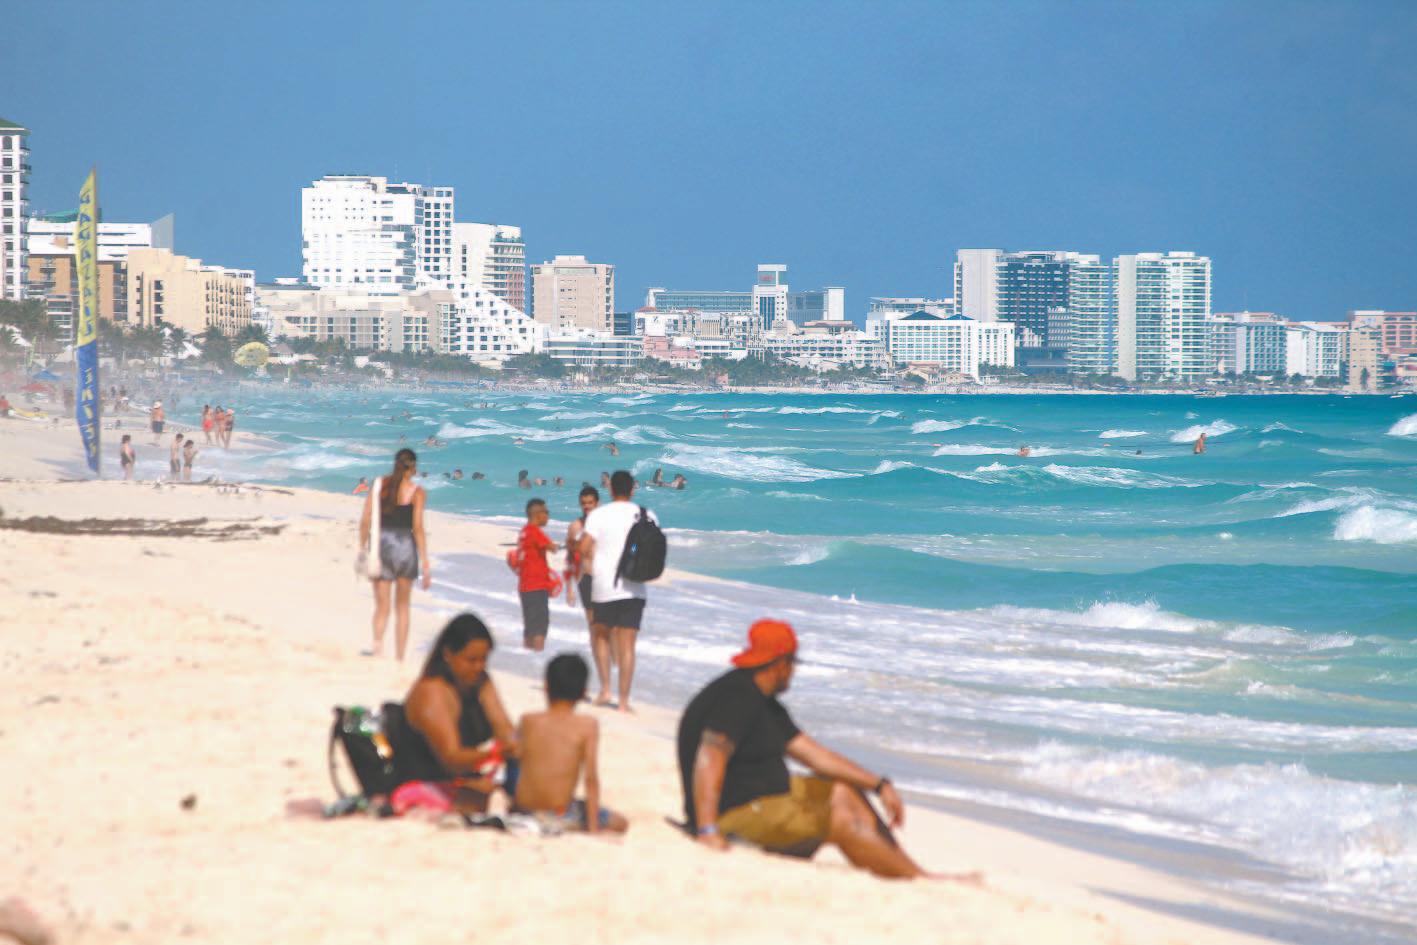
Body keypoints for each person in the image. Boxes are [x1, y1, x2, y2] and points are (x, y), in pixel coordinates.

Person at [677, 620, 937, 880]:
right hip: (734, 815)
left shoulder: (764, 702)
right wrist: (707, 829)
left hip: (765, 799)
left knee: (844, 791)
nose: (793, 671)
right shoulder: (736, 697)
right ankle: (916, 879)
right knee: (839, 818)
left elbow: (816, 757)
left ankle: (909, 868)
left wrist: (879, 785)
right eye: (793, 662)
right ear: (780, 663)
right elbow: (711, 756)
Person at [399, 614, 519, 813]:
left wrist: (517, 744)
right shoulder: (432, 692)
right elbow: (451, 758)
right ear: (448, 654)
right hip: (424, 782)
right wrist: (494, 754)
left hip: (460, 779)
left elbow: (504, 727)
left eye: (484, 659)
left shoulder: (480, 681)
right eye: (471, 660)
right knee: (500, 802)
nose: (479, 667)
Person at [514, 653, 628, 834]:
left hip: (525, 809)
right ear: (583, 693)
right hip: (560, 811)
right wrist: (593, 829)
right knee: (620, 822)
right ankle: (573, 824)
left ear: (546, 687)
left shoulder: (527, 720)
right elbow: (591, 779)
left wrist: (514, 806)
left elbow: (516, 764)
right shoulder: (587, 725)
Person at [579, 470, 655, 712]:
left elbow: (583, 548)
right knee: (628, 644)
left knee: (601, 636)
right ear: (633, 489)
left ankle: (605, 690)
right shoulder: (646, 514)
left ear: (610, 489)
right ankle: (623, 702)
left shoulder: (599, 515)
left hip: (604, 586)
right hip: (635, 587)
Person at [359, 448, 431, 660]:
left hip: (381, 546)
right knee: (403, 607)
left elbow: (365, 519)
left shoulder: (379, 485)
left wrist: (362, 548)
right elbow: (418, 528)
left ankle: (377, 647)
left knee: (382, 605)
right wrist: (425, 562)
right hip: (405, 547)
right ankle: (399, 658)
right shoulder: (417, 492)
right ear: (413, 467)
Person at [564, 486, 607, 686]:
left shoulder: (607, 525)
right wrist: (569, 587)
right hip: (586, 580)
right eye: (583, 503)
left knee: (609, 629)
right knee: (594, 630)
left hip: (607, 580)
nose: (587, 507)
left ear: (597, 503)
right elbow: (569, 559)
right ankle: (602, 677)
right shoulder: (575, 527)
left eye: (590, 503)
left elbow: (629, 545)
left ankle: (608, 670)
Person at [514, 498, 559, 652]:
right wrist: (557, 546)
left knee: (530, 627)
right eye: (546, 512)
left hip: (525, 586)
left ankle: (528, 656)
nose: (548, 516)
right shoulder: (535, 531)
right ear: (538, 514)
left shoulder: (524, 532)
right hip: (537, 587)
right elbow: (552, 548)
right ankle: (537, 657)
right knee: (539, 628)